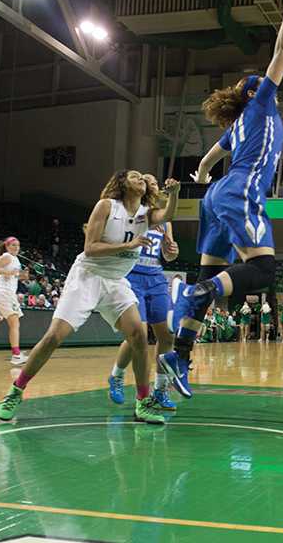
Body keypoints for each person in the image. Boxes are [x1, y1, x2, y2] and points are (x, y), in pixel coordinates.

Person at [160, 0, 283, 400]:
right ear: (258, 92)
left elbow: (206, 162)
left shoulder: (239, 124)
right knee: (261, 269)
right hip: (240, 191)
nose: (272, 86)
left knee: (212, 275)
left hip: (217, 195)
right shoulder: (261, 107)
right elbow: (281, 50)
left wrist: (204, 183)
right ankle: (194, 293)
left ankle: (179, 358)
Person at [0, 170, 172, 425]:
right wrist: (128, 245)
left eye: (142, 177)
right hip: (87, 276)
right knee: (54, 337)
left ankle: (143, 403)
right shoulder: (106, 206)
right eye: (134, 175)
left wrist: (175, 194)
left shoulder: (146, 213)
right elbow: (91, 248)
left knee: (139, 336)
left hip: (115, 281)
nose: (140, 178)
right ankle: (16, 390)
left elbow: (167, 215)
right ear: (123, 183)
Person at [107, 175, 180, 411]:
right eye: (149, 182)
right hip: (132, 275)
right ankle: (117, 376)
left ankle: (160, 390)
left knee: (166, 335)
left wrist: (172, 251)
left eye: (155, 182)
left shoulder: (165, 220)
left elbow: (168, 254)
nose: (153, 184)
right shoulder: (135, 212)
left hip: (156, 277)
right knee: (137, 333)